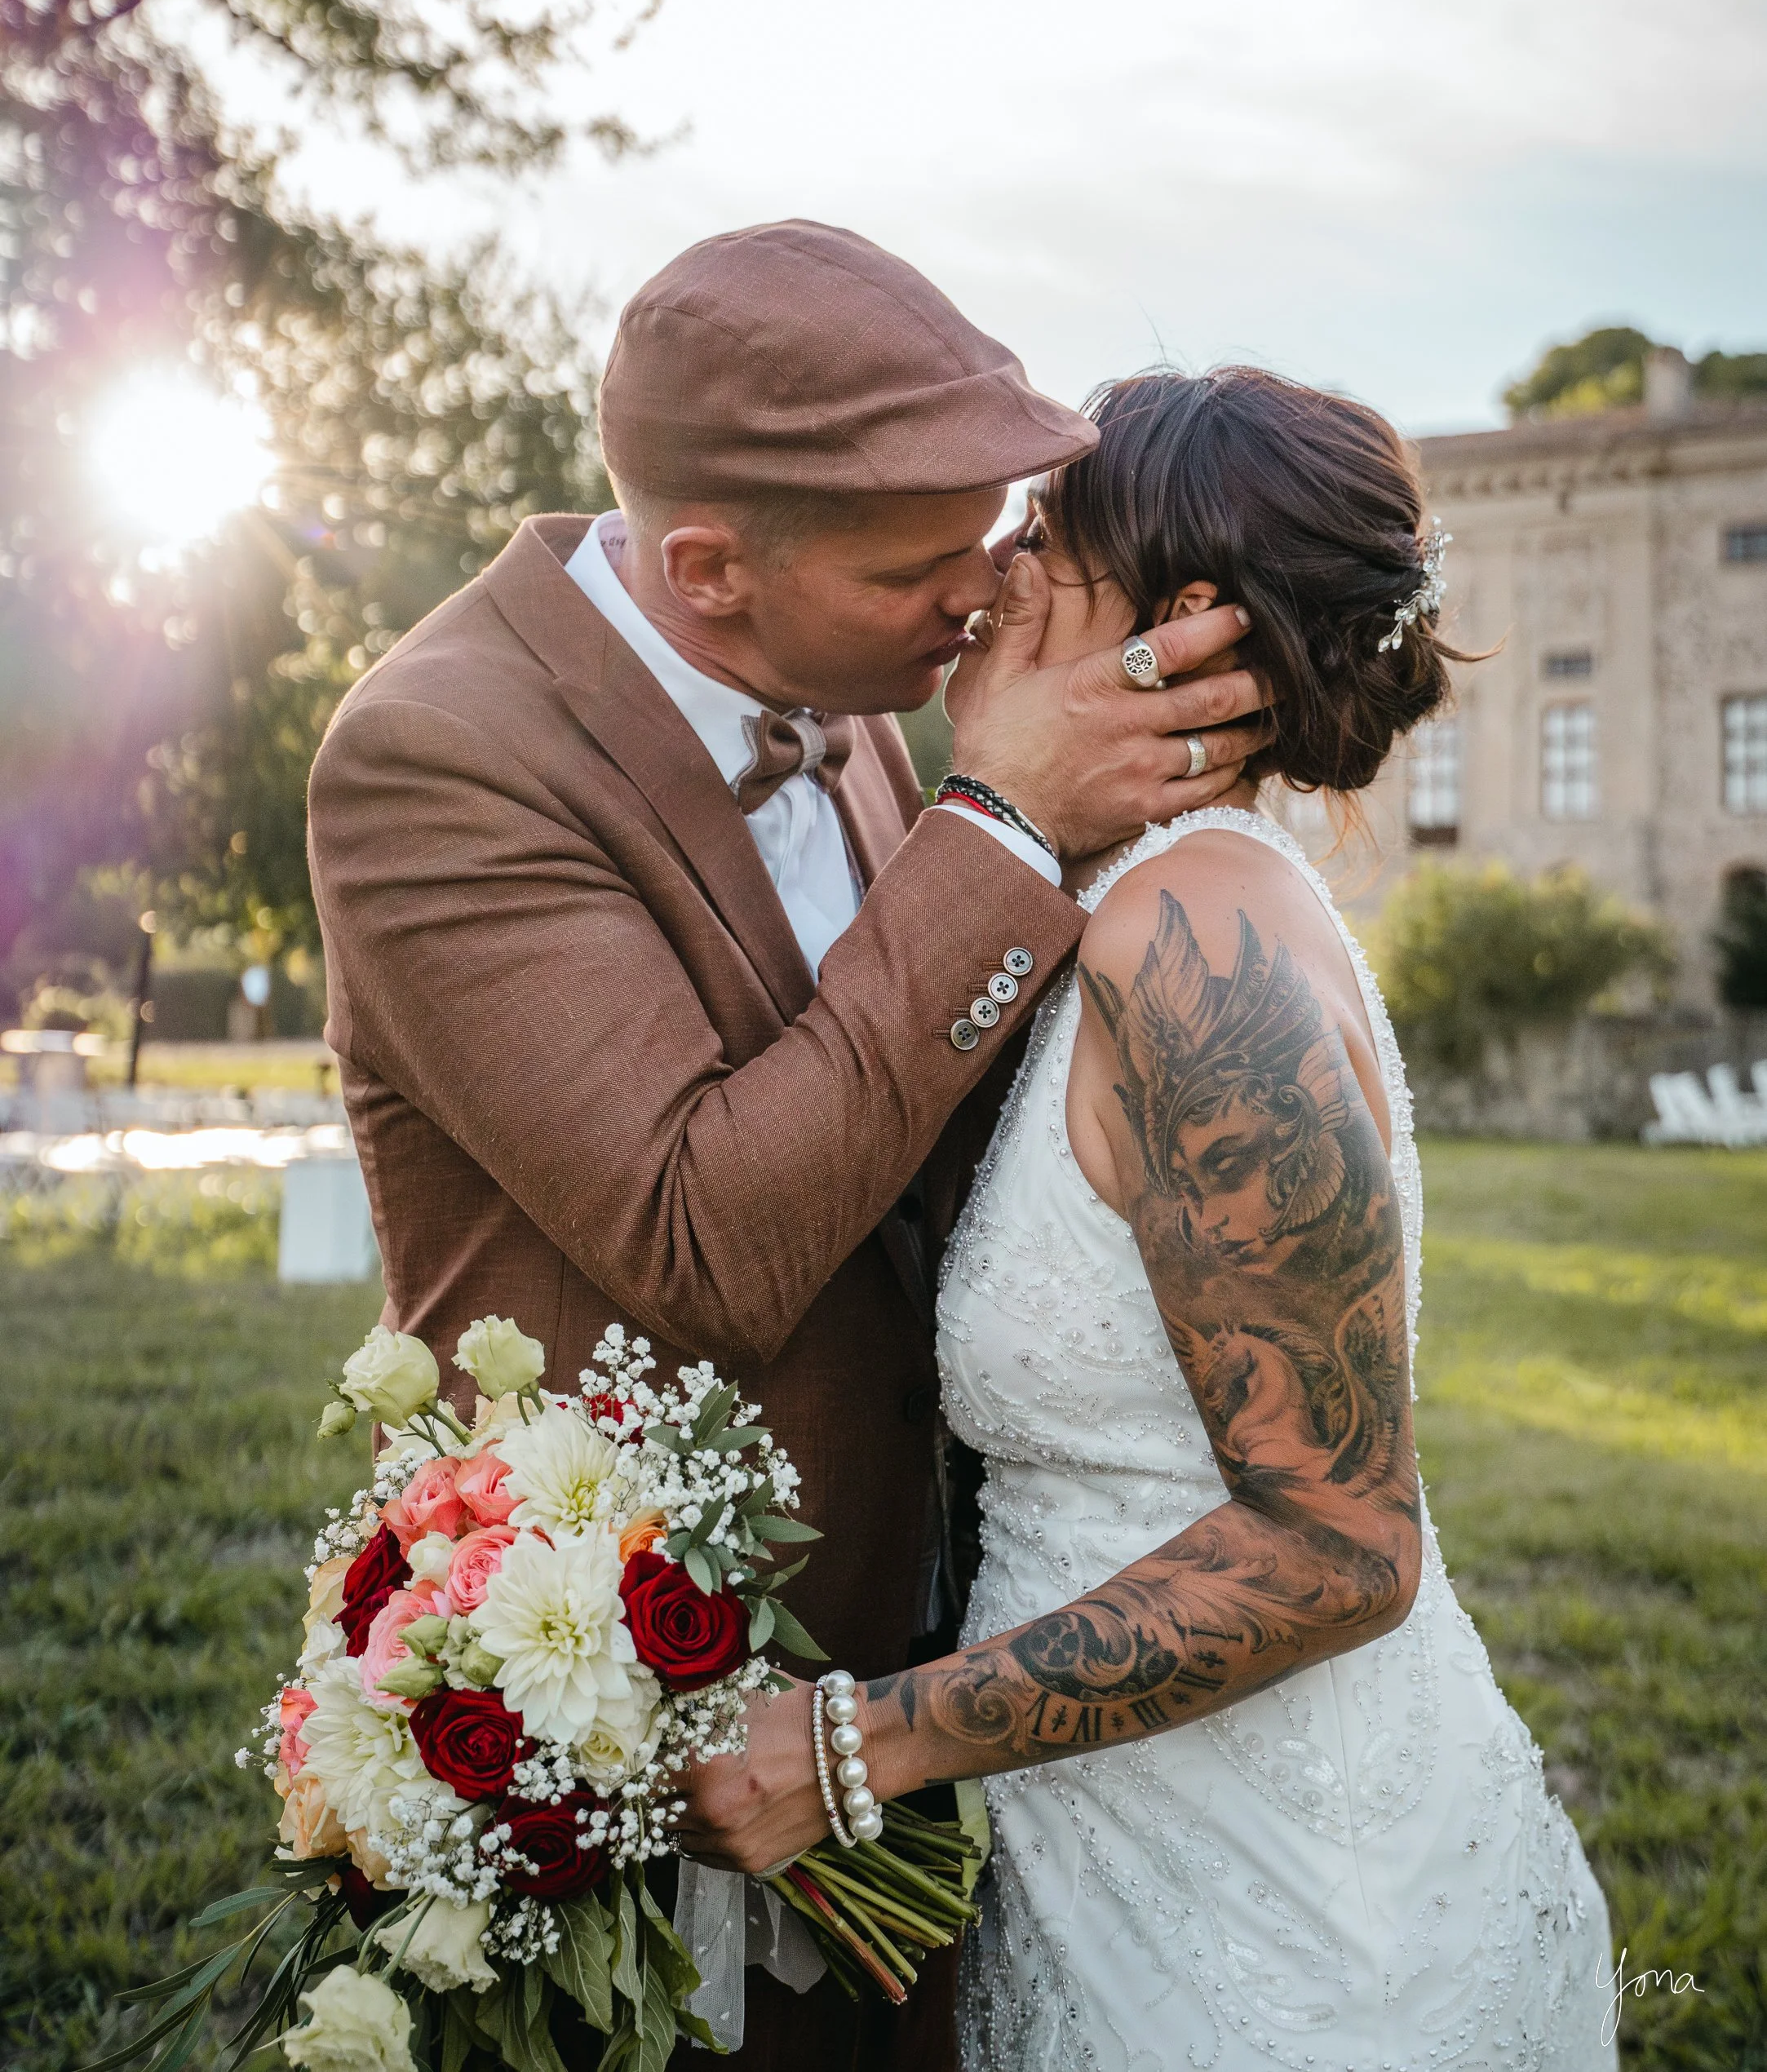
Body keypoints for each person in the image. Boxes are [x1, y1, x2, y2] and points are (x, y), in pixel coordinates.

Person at [304, 223, 1271, 2072]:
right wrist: (996, 818)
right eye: (929, 566)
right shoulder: (434, 755)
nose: (986, 598)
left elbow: (914, 1109)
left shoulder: (853, 700)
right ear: (708, 570)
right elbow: (707, 1233)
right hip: (617, 1723)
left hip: (905, 1678)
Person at [680, 366, 1618, 2071]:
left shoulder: (1204, 942)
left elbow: (1341, 1542)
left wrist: (855, 1747)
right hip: (1114, 1846)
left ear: (1179, 627)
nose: (993, 563)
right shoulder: (1124, 898)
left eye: (1048, 531)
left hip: (1277, 1915)